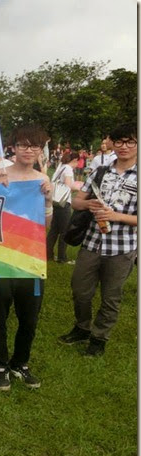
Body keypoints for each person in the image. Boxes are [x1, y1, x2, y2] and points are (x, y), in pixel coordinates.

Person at [58, 124, 137, 357]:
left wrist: (116, 216)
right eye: (119, 141)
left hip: (122, 248)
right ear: (112, 143)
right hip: (91, 243)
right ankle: (82, 327)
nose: (124, 147)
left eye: (130, 142)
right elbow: (76, 202)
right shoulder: (100, 171)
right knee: (80, 290)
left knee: (111, 297)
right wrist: (88, 204)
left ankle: (99, 338)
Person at [0, 125, 52, 391]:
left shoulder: (42, 180)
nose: (28, 150)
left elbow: (45, 227)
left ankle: (20, 362)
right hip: (0, 257)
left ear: (40, 150)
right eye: (23, 145)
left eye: (34, 146)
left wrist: (48, 201)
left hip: (31, 259)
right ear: (13, 147)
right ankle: (0, 365)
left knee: (29, 318)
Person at [46, 151, 80, 264]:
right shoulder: (68, 169)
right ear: (75, 160)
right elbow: (69, 185)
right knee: (65, 230)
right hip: (63, 202)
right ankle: (62, 257)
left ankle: (48, 254)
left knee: (54, 230)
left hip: (55, 201)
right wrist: (80, 186)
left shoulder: (60, 167)